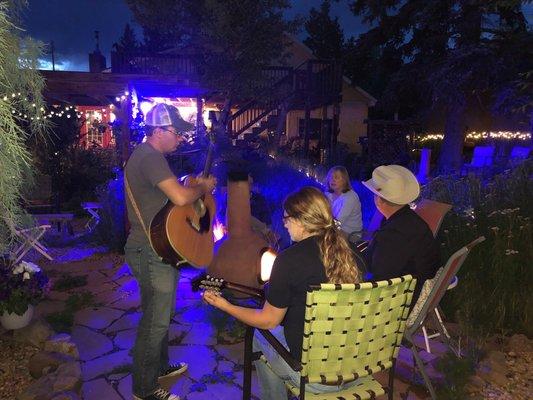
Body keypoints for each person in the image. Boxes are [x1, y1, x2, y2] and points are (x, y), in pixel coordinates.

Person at [203, 187, 361, 400]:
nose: (284, 224)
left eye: (286, 219)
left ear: (300, 220)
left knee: (260, 334)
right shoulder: (351, 252)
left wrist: (227, 306)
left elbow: (268, 320)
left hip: (315, 379)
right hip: (356, 366)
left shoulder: (289, 260)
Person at [124, 103, 217, 400]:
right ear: (159, 131)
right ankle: (145, 389)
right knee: (156, 322)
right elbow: (178, 197)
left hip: (153, 249)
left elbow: (166, 192)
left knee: (156, 315)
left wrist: (191, 184)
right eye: (177, 133)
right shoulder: (150, 157)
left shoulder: (149, 157)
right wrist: (201, 189)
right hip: (151, 252)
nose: (180, 140)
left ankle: (160, 367)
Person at [361, 165, 439, 303]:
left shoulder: (393, 235)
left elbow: (379, 279)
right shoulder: (410, 220)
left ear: (379, 200)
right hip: (411, 290)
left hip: (395, 304)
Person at [324, 166, 363, 242]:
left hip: (351, 234)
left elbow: (338, 222)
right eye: (330, 177)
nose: (332, 180)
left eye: (336, 177)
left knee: (322, 236)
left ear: (345, 180)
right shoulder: (327, 194)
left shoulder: (351, 197)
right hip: (334, 228)